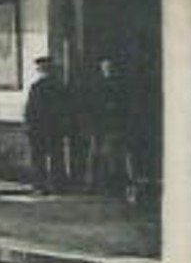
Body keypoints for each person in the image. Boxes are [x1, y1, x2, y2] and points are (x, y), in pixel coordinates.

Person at [80, 57, 129, 195]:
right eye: (105, 67)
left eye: (110, 67)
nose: (107, 69)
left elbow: (124, 106)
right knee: (93, 155)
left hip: (113, 126)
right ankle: (91, 184)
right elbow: (90, 105)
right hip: (97, 126)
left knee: (110, 156)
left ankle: (110, 185)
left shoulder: (119, 85)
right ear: (101, 68)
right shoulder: (96, 85)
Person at [24, 55, 69, 194]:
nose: (42, 70)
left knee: (39, 158)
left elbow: (30, 109)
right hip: (53, 128)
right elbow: (64, 109)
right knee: (56, 157)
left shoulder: (36, 87)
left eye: (42, 68)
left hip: (39, 128)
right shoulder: (59, 86)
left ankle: (40, 186)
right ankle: (57, 185)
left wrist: (29, 125)